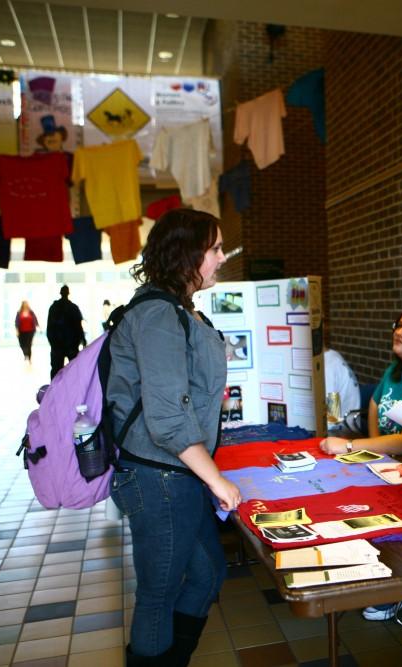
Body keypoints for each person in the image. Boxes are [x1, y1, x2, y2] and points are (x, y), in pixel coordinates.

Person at [106, 208, 241, 667]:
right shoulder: (159, 315)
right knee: (159, 594)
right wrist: (217, 479)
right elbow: (166, 420)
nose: (223, 257)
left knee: (208, 574)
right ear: (188, 253)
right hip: (158, 478)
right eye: (216, 248)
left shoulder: (180, 311)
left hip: (177, 476)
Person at [320, 304, 402, 622]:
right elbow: (375, 403)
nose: (400, 332)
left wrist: (350, 444)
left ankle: (399, 591)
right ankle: (370, 576)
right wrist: (377, 454)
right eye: (399, 325)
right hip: (393, 464)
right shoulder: (395, 368)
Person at [46, 285, 86, 379]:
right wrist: (82, 339)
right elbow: (78, 326)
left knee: (56, 370)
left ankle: (56, 391)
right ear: (68, 293)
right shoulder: (73, 308)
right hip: (70, 344)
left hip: (59, 345)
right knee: (74, 370)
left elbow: (50, 327)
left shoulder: (54, 308)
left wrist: (53, 342)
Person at [323, 347, 360, 419]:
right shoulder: (332, 354)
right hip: (352, 420)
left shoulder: (327, 367)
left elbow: (332, 417)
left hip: (342, 428)